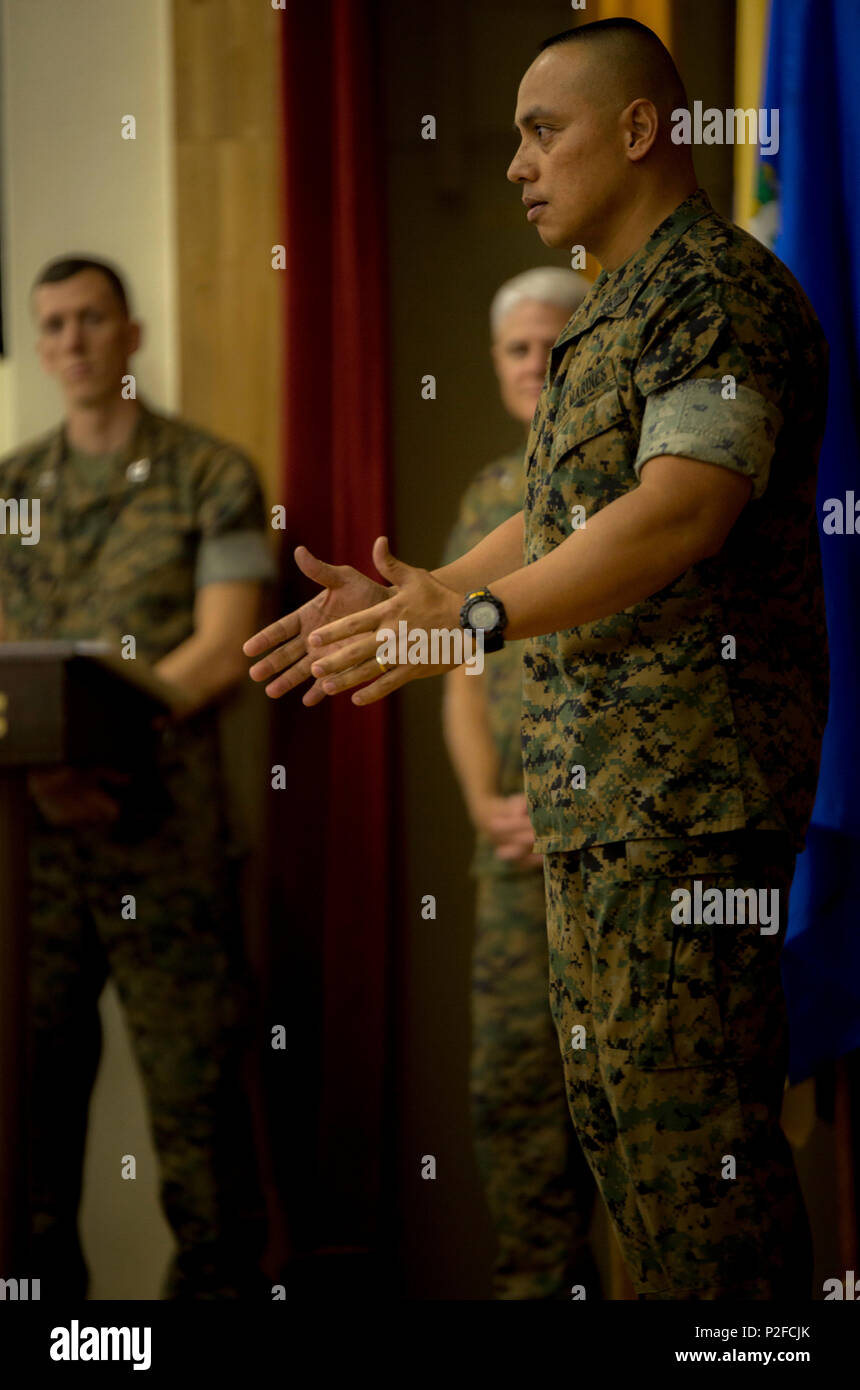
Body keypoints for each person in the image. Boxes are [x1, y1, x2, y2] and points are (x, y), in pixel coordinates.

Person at [244, 18, 829, 1301]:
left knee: (700, 1177)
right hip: (599, 810)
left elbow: (682, 505)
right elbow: (570, 506)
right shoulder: (614, 307)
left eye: (539, 130)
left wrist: (474, 622)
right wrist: (435, 585)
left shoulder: (713, 294)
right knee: (630, 1158)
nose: (512, 160)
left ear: (638, 129)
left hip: (684, 808)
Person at [0, 255, 275, 1298]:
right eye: (53, 325)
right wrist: (41, 775)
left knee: (200, 1129)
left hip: (164, 838)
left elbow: (220, 647)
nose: (72, 341)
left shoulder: (213, 474)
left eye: (91, 320)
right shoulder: (8, 492)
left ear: (132, 335)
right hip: (32, 850)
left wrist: (97, 752)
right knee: (25, 1139)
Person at [442, 267, 602, 1300]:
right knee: (510, 1102)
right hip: (509, 860)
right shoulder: (485, 501)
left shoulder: (628, 479)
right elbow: (458, 673)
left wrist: (567, 809)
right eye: (513, 350)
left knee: (636, 1117)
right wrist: (481, 803)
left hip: (604, 847)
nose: (532, 366)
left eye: (551, 346)